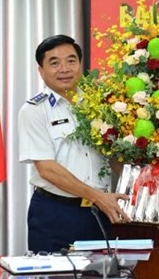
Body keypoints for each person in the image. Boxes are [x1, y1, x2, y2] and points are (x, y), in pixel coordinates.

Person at [18, 35, 129, 253]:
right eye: (54, 62)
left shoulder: (101, 105)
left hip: (101, 212)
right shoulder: (34, 110)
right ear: (41, 70)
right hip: (56, 213)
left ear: (80, 64)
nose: (64, 69)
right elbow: (47, 169)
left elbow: (114, 156)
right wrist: (98, 197)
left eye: (71, 61)